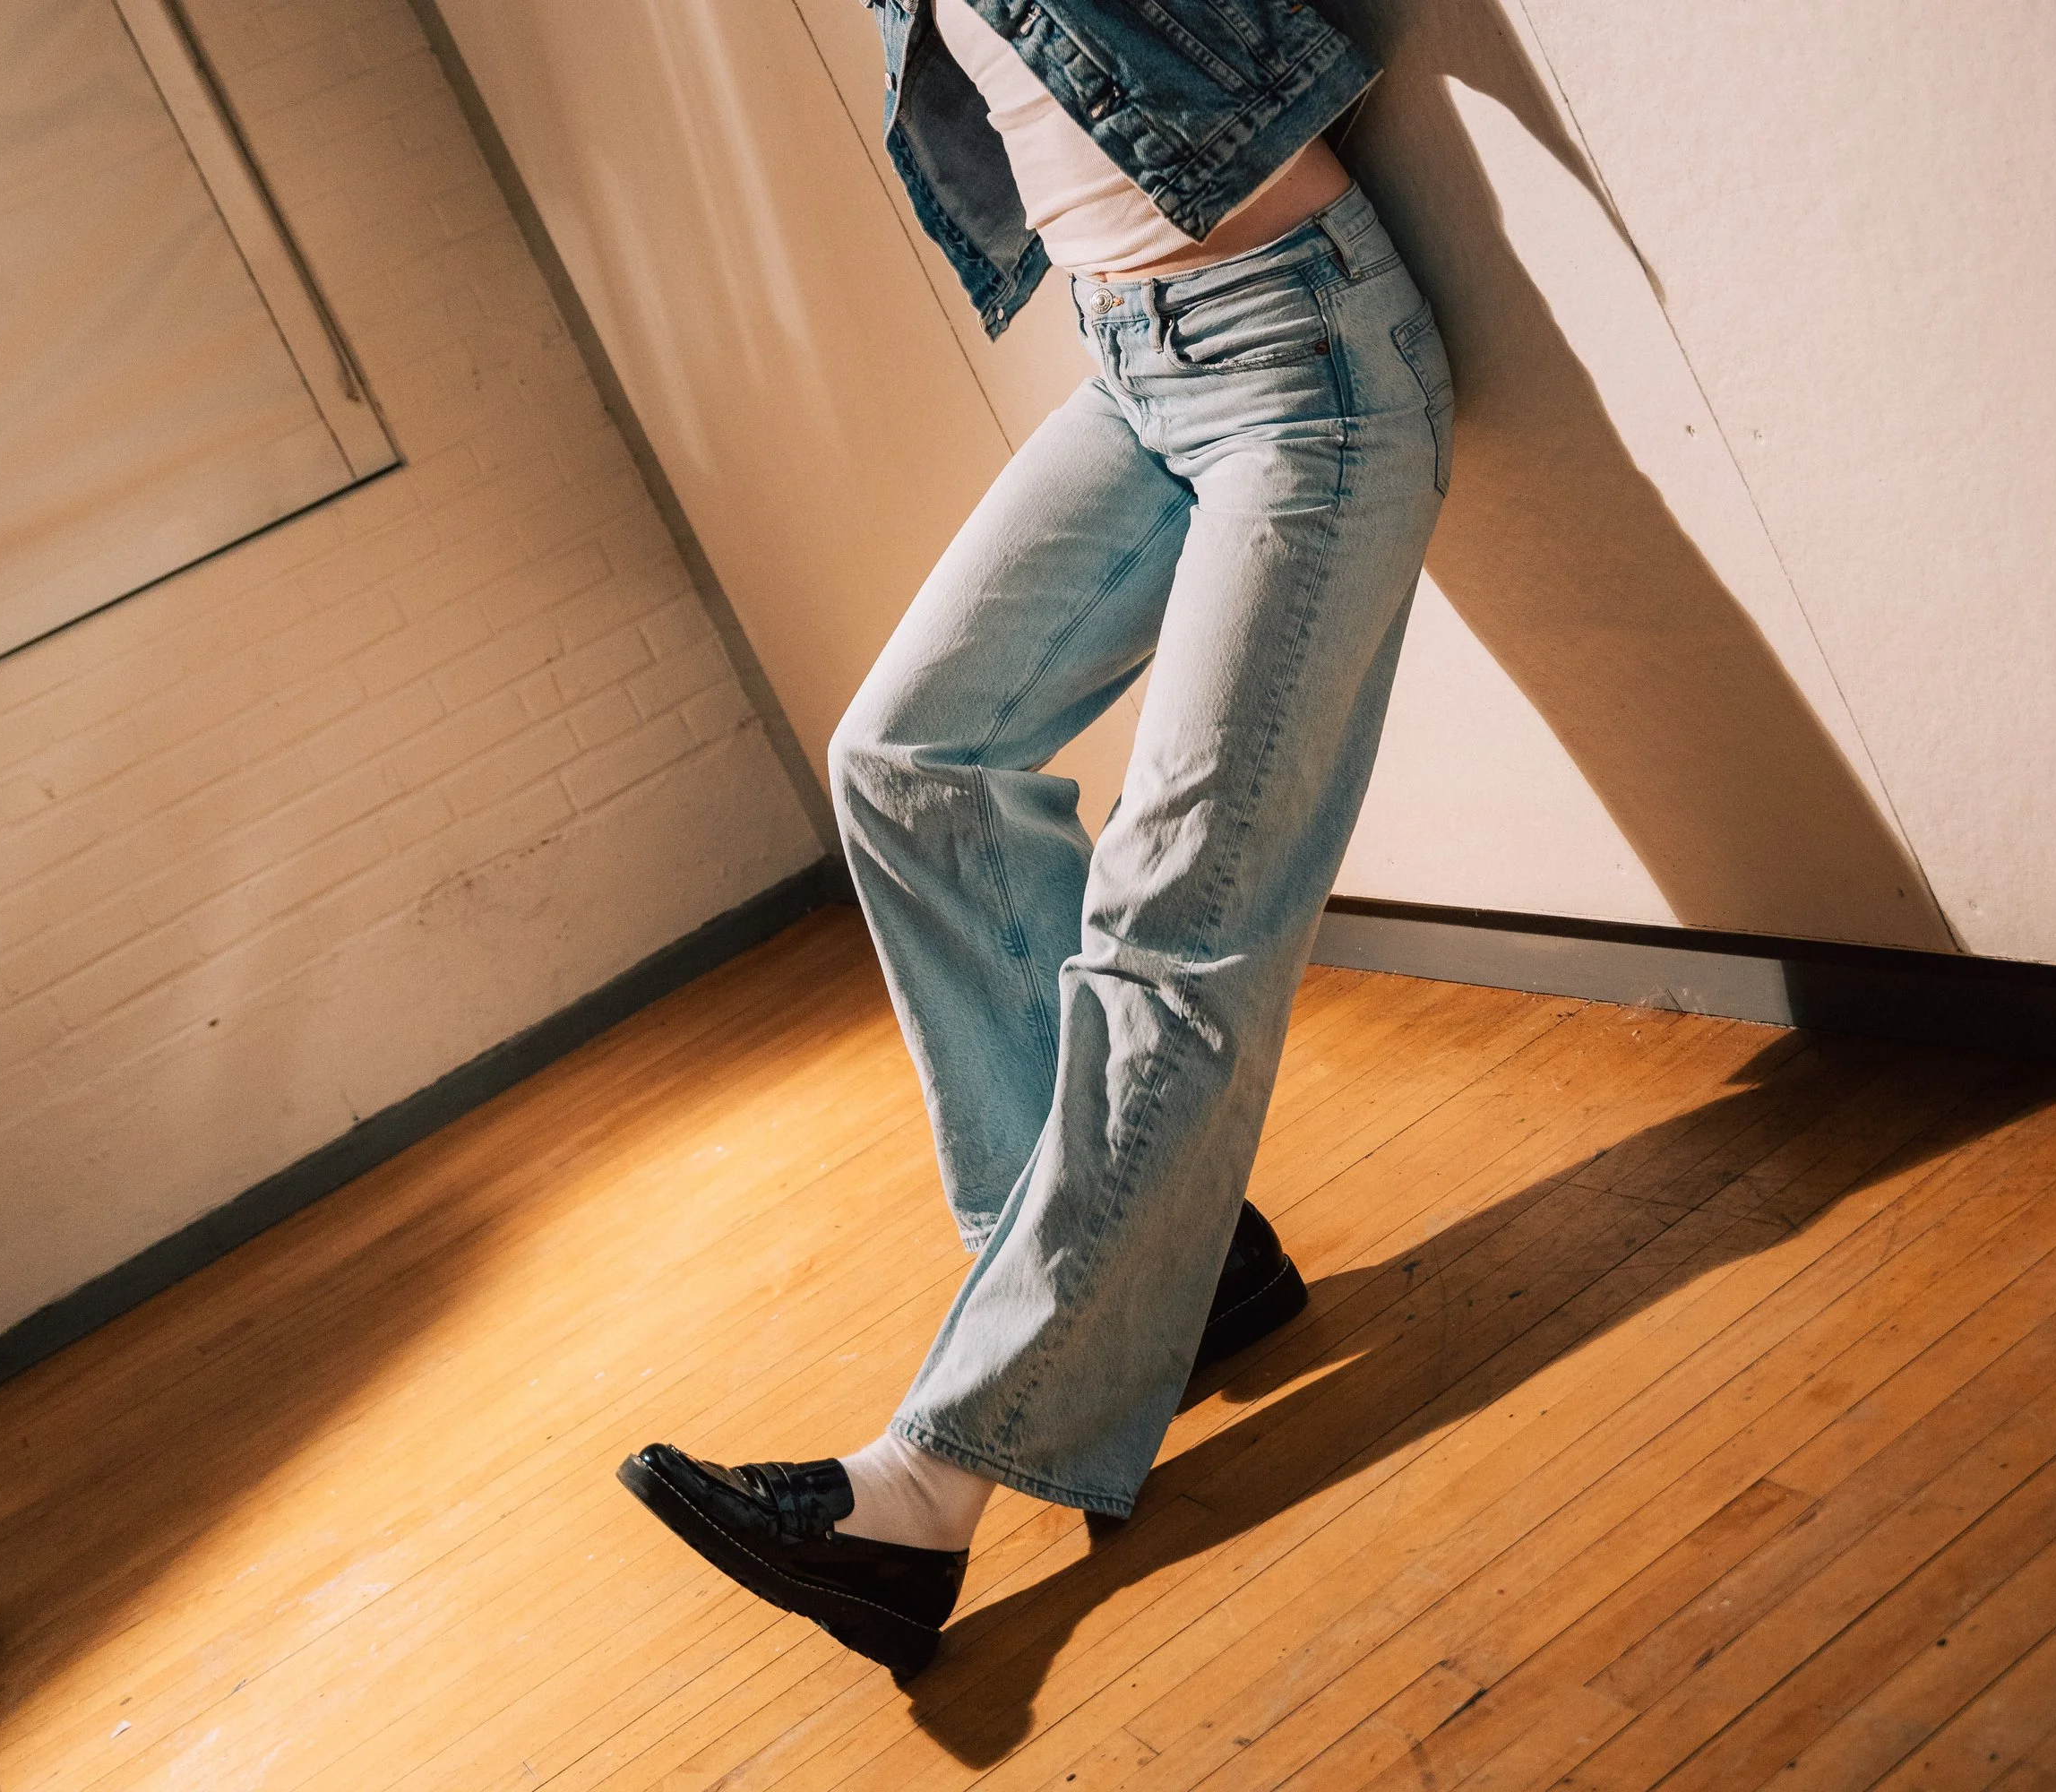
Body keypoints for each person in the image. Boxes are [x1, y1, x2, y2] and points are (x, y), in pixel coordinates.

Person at [618, 0, 1452, 1684]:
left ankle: (924, 1494)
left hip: (1307, 366)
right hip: (1133, 363)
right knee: (901, 762)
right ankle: (1174, 1276)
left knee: (1172, 924)